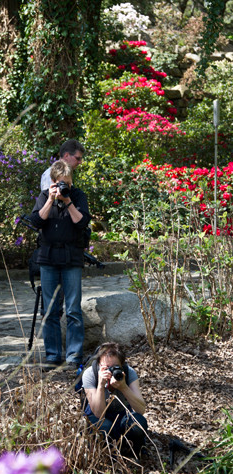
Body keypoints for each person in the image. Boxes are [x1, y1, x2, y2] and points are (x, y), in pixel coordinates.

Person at [30, 159, 91, 369]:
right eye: (61, 182)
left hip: (71, 258)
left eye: (68, 182)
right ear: (53, 181)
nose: (65, 186)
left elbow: (82, 222)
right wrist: (50, 199)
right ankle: (53, 355)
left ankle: (74, 356)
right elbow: (36, 221)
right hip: (48, 259)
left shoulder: (77, 196)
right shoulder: (45, 196)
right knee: (50, 310)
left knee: (73, 309)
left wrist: (67, 201)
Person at [82, 342, 147, 457]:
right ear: (98, 364)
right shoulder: (90, 374)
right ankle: (104, 455)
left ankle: (132, 452)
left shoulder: (128, 372)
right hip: (98, 418)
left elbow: (141, 409)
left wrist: (124, 387)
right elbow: (98, 414)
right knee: (104, 427)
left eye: (114, 367)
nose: (111, 371)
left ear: (122, 365)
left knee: (138, 424)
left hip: (121, 415)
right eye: (106, 367)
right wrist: (101, 385)